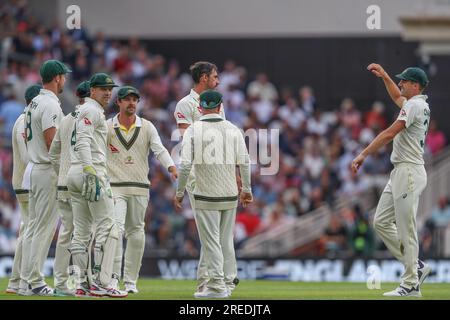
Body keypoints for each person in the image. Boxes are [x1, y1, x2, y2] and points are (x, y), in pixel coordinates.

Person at [352, 64, 432, 297]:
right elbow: (397, 95)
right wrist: (385, 76)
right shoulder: (415, 104)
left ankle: (410, 285)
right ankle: (416, 266)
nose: (400, 84)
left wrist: (363, 154)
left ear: (416, 86)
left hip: (408, 172)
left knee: (406, 229)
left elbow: (389, 133)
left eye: (405, 81)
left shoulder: (416, 105)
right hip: (400, 172)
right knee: (380, 222)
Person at [174, 90, 253, 298]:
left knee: (211, 242)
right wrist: (246, 189)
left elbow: (184, 166)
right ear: (220, 106)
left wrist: (180, 191)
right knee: (226, 241)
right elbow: (244, 162)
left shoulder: (193, 129)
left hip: (204, 195)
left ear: (200, 108)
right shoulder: (233, 129)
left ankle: (217, 286)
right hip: (229, 195)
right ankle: (227, 282)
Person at [107, 86, 177, 293]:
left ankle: (130, 281)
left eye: (134, 100)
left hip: (139, 187)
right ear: (118, 102)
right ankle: (112, 279)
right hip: (114, 187)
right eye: (127, 99)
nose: (131, 103)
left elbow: (159, 149)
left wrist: (172, 167)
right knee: (115, 231)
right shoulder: (107, 126)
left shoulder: (147, 126)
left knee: (136, 232)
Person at [67, 73, 127, 298]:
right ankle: (102, 283)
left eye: (110, 89)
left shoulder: (80, 111)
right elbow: (83, 140)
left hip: (75, 172)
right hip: (90, 171)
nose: (108, 93)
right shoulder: (91, 110)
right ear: (92, 90)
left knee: (81, 233)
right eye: (103, 89)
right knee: (109, 227)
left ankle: (81, 283)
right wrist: (90, 169)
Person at [173, 61, 225, 295]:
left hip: (218, 172)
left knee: (215, 232)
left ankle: (213, 280)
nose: (218, 80)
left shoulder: (218, 104)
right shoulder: (185, 104)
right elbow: (187, 142)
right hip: (198, 173)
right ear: (203, 78)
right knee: (209, 232)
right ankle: (208, 282)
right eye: (215, 76)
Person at [21, 60, 71, 296]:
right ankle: (35, 281)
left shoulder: (34, 102)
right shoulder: (50, 104)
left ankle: (27, 279)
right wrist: (64, 174)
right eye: (64, 76)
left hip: (35, 168)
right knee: (44, 228)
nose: (66, 80)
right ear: (58, 77)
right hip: (47, 169)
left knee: (34, 227)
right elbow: (52, 142)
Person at [49, 80, 90, 296]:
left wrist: (62, 172)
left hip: (64, 183)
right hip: (83, 182)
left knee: (66, 234)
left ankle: (62, 283)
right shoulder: (91, 118)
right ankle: (85, 281)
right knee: (86, 234)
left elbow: (53, 153)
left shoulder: (65, 120)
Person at [5, 85, 41, 294]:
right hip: (29, 183)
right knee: (32, 232)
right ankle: (25, 281)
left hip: (23, 182)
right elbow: (30, 156)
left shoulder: (22, 120)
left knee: (26, 230)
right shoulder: (26, 122)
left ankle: (16, 281)